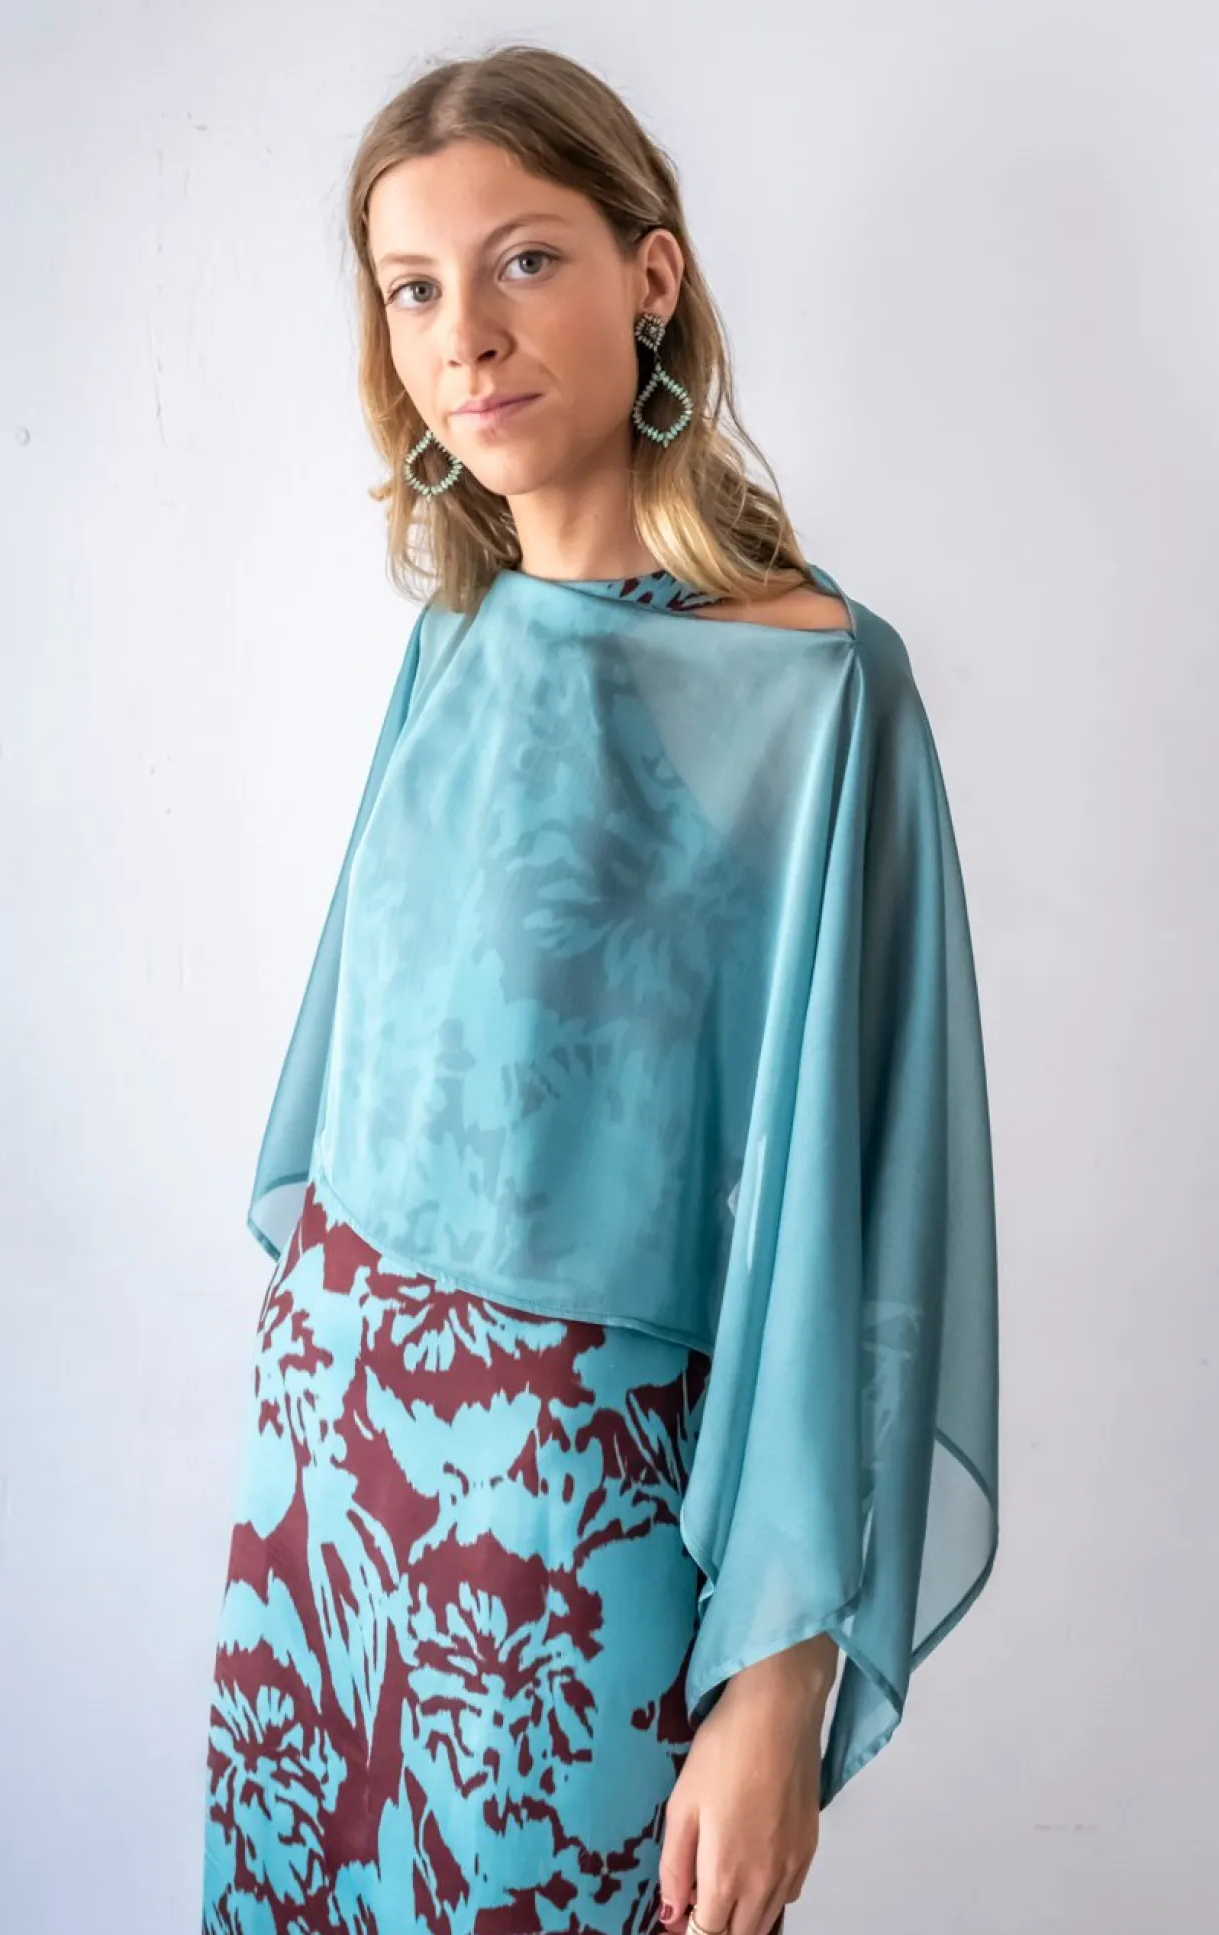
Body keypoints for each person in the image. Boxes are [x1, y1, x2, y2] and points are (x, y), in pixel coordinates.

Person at [200, 42, 999, 1935]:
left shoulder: (816, 691)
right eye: (412, 289)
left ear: (650, 276)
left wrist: (775, 1680)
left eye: (523, 260)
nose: (464, 336)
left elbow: (864, 1215)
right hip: (325, 1480)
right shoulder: (453, 641)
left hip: (572, 1528)